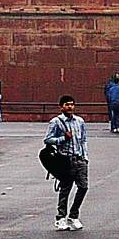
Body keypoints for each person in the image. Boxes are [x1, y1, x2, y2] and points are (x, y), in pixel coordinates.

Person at [44, 95, 88, 230]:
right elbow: (48, 140)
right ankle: (61, 217)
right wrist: (63, 138)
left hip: (79, 159)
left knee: (83, 187)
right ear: (61, 106)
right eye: (67, 104)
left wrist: (85, 156)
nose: (70, 107)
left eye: (72, 104)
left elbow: (83, 140)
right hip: (65, 160)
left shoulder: (79, 121)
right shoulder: (56, 122)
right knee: (65, 190)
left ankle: (73, 216)